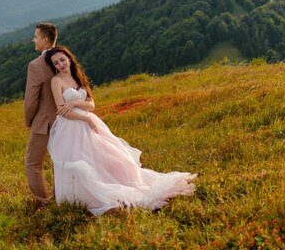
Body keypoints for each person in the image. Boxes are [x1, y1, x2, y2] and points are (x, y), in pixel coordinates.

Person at [44, 45, 197, 216]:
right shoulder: (56, 81)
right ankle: (86, 197)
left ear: (69, 58)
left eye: (62, 60)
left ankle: (121, 186)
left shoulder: (77, 77)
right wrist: (85, 118)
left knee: (107, 157)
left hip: (89, 122)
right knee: (81, 162)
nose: (61, 64)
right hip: (71, 126)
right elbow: (61, 109)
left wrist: (75, 103)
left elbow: (91, 104)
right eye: (56, 63)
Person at [23, 22, 58, 208]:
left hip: (43, 121)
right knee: (59, 161)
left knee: (32, 163)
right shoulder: (63, 58)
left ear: (45, 40)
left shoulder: (36, 65)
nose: (33, 40)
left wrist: (29, 120)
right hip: (64, 119)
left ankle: (43, 203)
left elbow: (31, 100)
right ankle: (60, 197)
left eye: (36, 37)